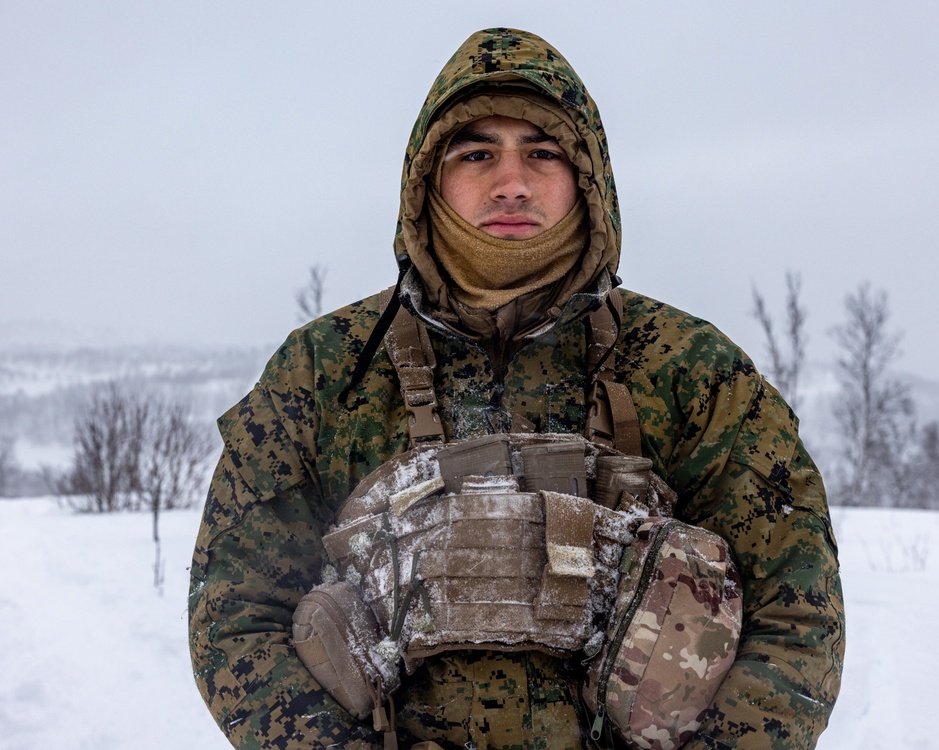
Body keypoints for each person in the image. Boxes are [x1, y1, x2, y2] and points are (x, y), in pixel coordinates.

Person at [188, 27, 845, 750]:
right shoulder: (325, 370)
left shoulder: (689, 368)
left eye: (543, 152)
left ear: (587, 177)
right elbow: (237, 610)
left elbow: (795, 617)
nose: (512, 181)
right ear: (427, 179)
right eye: (476, 153)